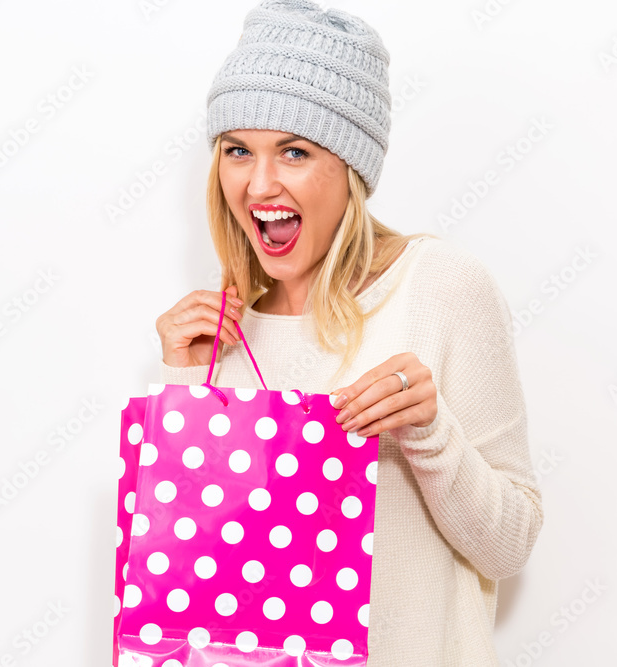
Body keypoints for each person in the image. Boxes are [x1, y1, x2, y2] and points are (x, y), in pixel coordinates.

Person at [154, 1, 543, 664]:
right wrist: (189, 383)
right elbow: (202, 571)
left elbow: (509, 546)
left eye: (295, 151)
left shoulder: (441, 285)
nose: (259, 183)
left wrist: (429, 429)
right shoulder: (221, 329)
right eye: (238, 149)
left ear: (352, 169)